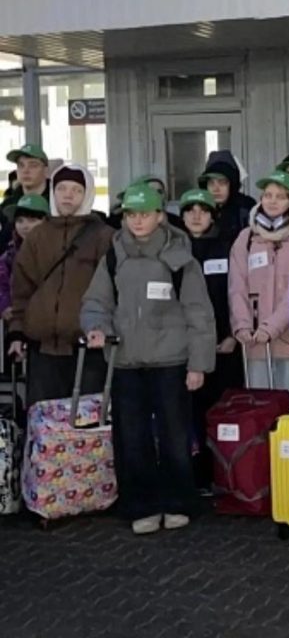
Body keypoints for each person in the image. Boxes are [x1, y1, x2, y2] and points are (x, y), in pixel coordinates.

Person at [80, 183, 216, 535]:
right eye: (130, 215)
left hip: (170, 362)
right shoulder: (113, 256)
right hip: (125, 362)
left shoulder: (180, 259)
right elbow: (96, 302)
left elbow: (199, 314)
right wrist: (96, 328)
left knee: (174, 437)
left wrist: (198, 364)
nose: (137, 221)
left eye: (144, 214)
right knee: (132, 437)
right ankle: (141, 505)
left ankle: (177, 502)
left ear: (159, 216)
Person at [9, 163, 114, 407]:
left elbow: (113, 290)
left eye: (76, 190)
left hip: (88, 347)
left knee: (86, 421)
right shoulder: (38, 236)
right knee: (44, 419)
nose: (68, 195)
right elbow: (22, 290)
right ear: (53, 192)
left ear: (87, 194)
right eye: (62, 188)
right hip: (43, 350)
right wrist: (16, 332)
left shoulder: (104, 236)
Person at [179, 188, 241, 493]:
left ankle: (225, 475)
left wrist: (232, 334)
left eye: (202, 210)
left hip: (222, 345)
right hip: (184, 347)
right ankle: (196, 477)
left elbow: (236, 293)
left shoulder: (227, 247)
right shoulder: (174, 249)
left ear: (213, 215)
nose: (196, 216)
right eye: (190, 210)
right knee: (189, 414)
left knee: (221, 411)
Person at [228, 171, 289, 396]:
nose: (272, 201)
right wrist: (242, 325)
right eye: (268, 195)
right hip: (255, 341)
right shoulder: (246, 238)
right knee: (260, 404)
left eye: (280, 196)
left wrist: (272, 327)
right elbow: (237, 286)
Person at [0, 194, 48, 320]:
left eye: (32, 220)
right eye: (20, 220)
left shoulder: (57, 253)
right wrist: (4, 305)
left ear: (46, 221)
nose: (25, 226)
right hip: (17, 321)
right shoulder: (9, 256)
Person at [198, 150, 256, 244]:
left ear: (232, 185)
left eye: (222, 182)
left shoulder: (246, 208)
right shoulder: (199, 209)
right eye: (211, 183)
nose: (216, 189)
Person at [0, 143, 50, 252]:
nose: (25, 170)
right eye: (21, 165)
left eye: (33, 165)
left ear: (46, 170)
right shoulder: (8, 205)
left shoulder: (57, 203)